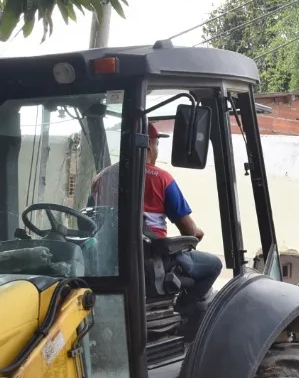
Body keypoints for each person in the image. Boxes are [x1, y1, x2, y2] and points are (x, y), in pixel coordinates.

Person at [92, 127, 223, 299]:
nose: (157, 151)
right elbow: (189, 231)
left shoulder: (100, 179)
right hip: (154, 258)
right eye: (157, 144)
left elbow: (94, 219)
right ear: (148, 147)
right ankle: (185, 312)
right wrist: (197, 233)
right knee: (214, 265)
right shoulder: (162, 179)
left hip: (107, 256)